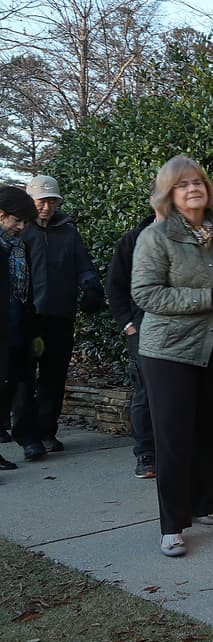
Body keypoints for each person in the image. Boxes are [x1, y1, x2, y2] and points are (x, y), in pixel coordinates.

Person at [131, 156, 213, 557]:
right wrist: (208, 298)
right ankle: (172, 525)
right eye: (182, 184)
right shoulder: (156, 237)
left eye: (198, 182)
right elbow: (146, 294)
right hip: (168, 350)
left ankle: (208, 503)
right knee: (174, 438)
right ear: (169, 194)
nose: (193, 189)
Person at [13, 175, 104, 461]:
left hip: (60, 315)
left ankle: (47, 431)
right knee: (25, 378)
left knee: (54, 376)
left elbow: (83, 266)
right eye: (42, 200)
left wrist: (91, 285)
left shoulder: (68, 232)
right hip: (28, 317)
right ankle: (28, 437)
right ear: (30, 202)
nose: (47, 206)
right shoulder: (18, 232)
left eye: (52, 200)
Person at [107, 212, 158, 478]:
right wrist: (127, 324)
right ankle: (146, 454)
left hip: (184, 329)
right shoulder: (133, 239)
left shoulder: (194, 235)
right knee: (145, 391)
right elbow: (114, 285)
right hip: (142, 326)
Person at [0, 187, 39, 472]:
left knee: (13, 385)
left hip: (16, 327)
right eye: (17, 220)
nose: (21, 227)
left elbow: (26, 289)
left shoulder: (17, 247)